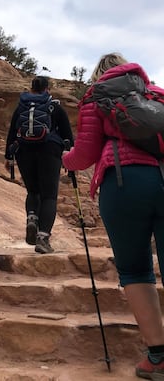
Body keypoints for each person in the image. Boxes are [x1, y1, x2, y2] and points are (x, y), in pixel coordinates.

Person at [62, 53, 164, 379]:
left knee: (135, 269)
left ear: (99, 74)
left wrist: (65, 160)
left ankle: (158, 358)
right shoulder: (157, 94)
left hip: (124, 183)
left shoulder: (96, 97)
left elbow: (85, 154)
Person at [5, 75, 73, 254]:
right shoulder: (54, 106)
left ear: (32, 88)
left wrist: (9, 156)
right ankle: (42, 239)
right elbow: (67, 135)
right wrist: (70, 157)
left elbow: (12, 132)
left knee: (33, 191)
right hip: (49, 151)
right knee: (49, 196)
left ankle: (32, 218)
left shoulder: (21, 107)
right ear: (47, 89)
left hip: (23, 151)